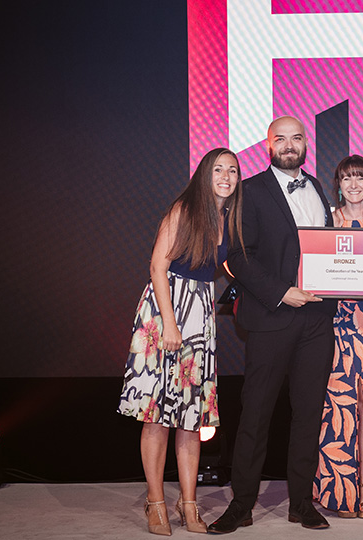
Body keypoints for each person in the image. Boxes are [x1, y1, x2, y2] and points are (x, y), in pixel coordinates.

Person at [209, 116, 337, 534]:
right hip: (271, 318)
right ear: (268, 145)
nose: (288, 144)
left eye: (296, 138)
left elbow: (329, 251)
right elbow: (239, 258)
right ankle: (241, 505)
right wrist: (284, 291)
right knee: (256, 415)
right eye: (280, 138)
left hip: (317, 319)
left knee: (308, 414)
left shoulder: (318, 187)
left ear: (305, 143)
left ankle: (301, 502)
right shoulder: (251, 191)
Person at [117, 148, 244, 535]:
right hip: (166, 310)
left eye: (233, 170)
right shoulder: (185, 209)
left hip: (200, 314)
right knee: (157, 415)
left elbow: (227, 266)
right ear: (205, 174)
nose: (226, 175)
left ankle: (188, 505)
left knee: (192, 418)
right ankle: (155, 503)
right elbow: (158, 265)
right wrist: (170, 325)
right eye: (218, 169)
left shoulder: (228, 217)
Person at [314, 155, 363, 519]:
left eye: (360, 177)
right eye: (347, 178)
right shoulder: (328, 220)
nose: (353, 184)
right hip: (339, 325)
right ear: (339, 184)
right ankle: (337, 490)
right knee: (341, 408)